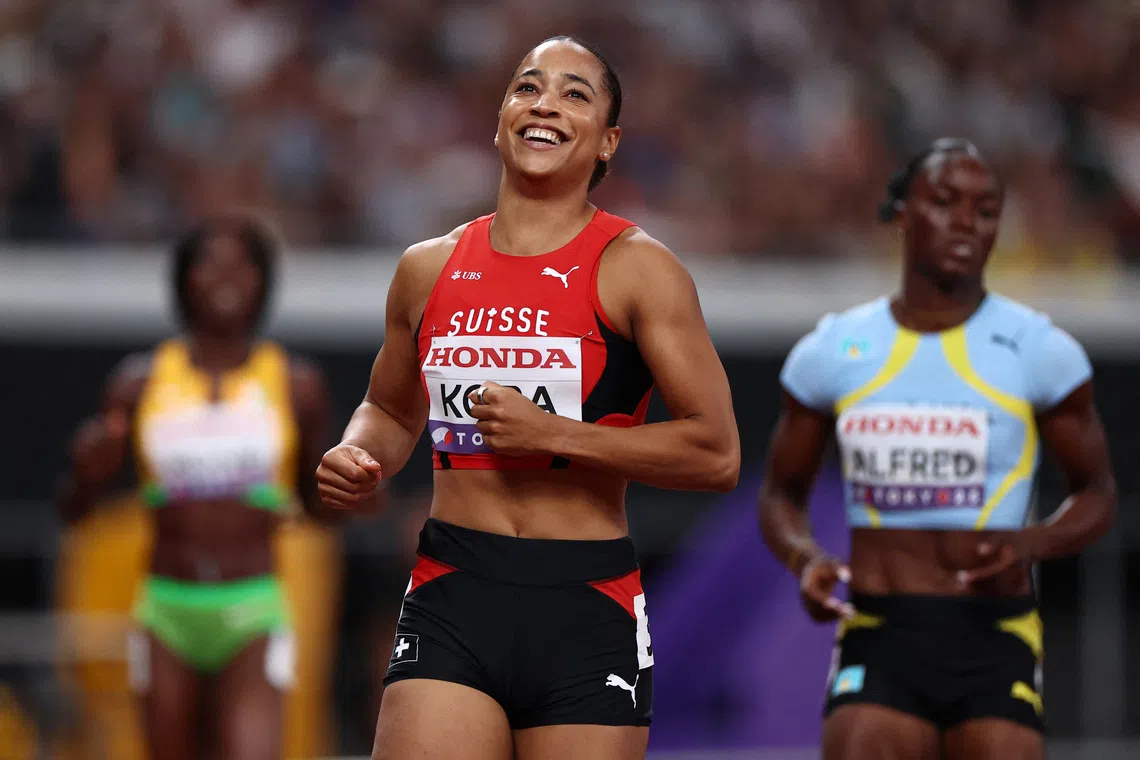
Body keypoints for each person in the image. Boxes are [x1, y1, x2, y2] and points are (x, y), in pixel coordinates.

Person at [317, 35, 740, 760]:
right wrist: (360, 453)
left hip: (585, 601)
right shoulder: (429, 267)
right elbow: (390, 411)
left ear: (606, 143)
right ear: (500, 119)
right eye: (527, 87)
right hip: (453, 589)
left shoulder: (638, 269)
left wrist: (558, 436)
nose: (545, 103)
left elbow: (716, 452)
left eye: (575, 94)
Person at [758, 138, 1117, 760]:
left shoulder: (1038, 350)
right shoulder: (834, 350)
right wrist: (804, 558)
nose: (966, 222)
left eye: (985, 209)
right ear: (902, 212)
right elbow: (779, 495)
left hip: (994, 633)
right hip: (879, 630)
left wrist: (1033, 543)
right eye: (944, 202)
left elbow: (1098, 494)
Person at [59, 216, 343, 760]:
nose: (225, 277)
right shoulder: (137, 384)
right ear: (183, 278)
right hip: (166, 609)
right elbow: (74, 512)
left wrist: (351, 493)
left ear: (263, 280)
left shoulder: (295, 384)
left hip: (253, 605)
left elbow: (319, 509)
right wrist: (85, 476)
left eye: (241, 265)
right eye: (209, 263)